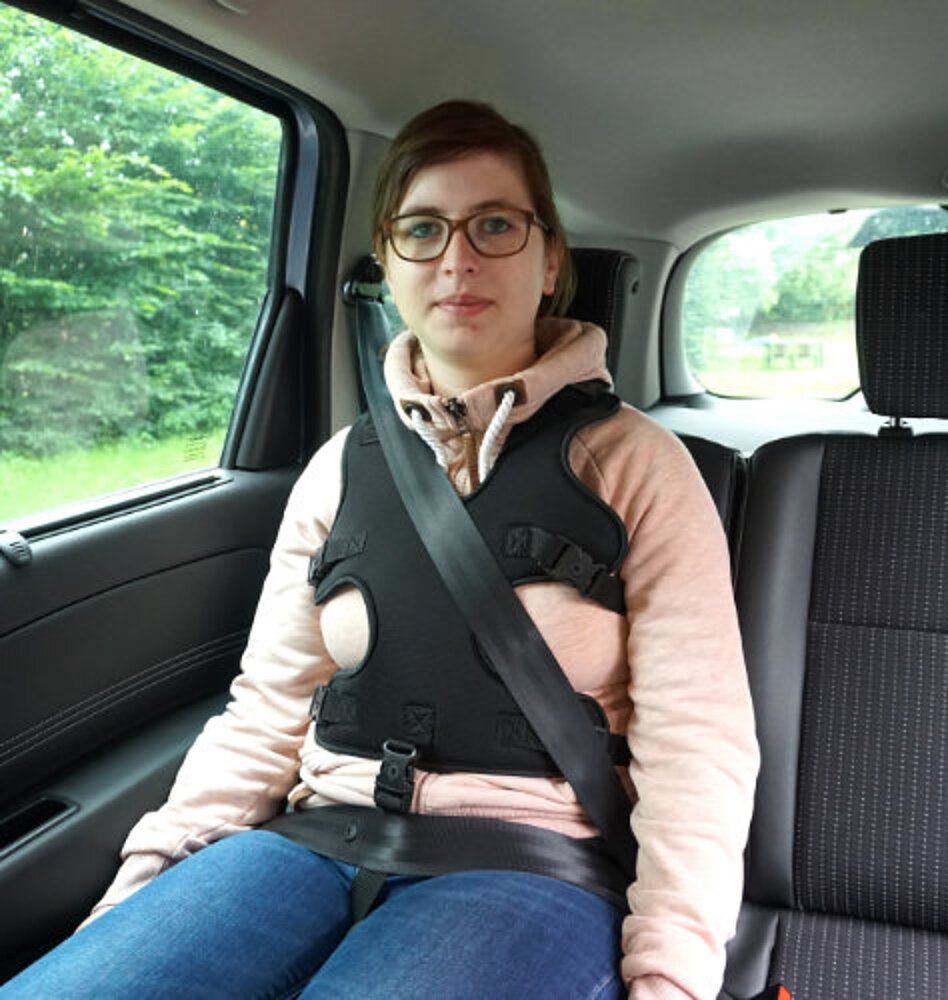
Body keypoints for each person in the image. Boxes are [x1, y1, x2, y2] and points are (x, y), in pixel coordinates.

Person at [1, 100, 758, 1000]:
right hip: (312, 839)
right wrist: (141, 893)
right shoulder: (340, 467)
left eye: (495, 225)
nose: (457, 258)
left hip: (531, 862)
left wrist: (670, 974)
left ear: (551, 259)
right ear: (389, 263)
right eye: (422, 229)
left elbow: (697, 747)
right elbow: (268, 711)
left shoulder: (637, 465)